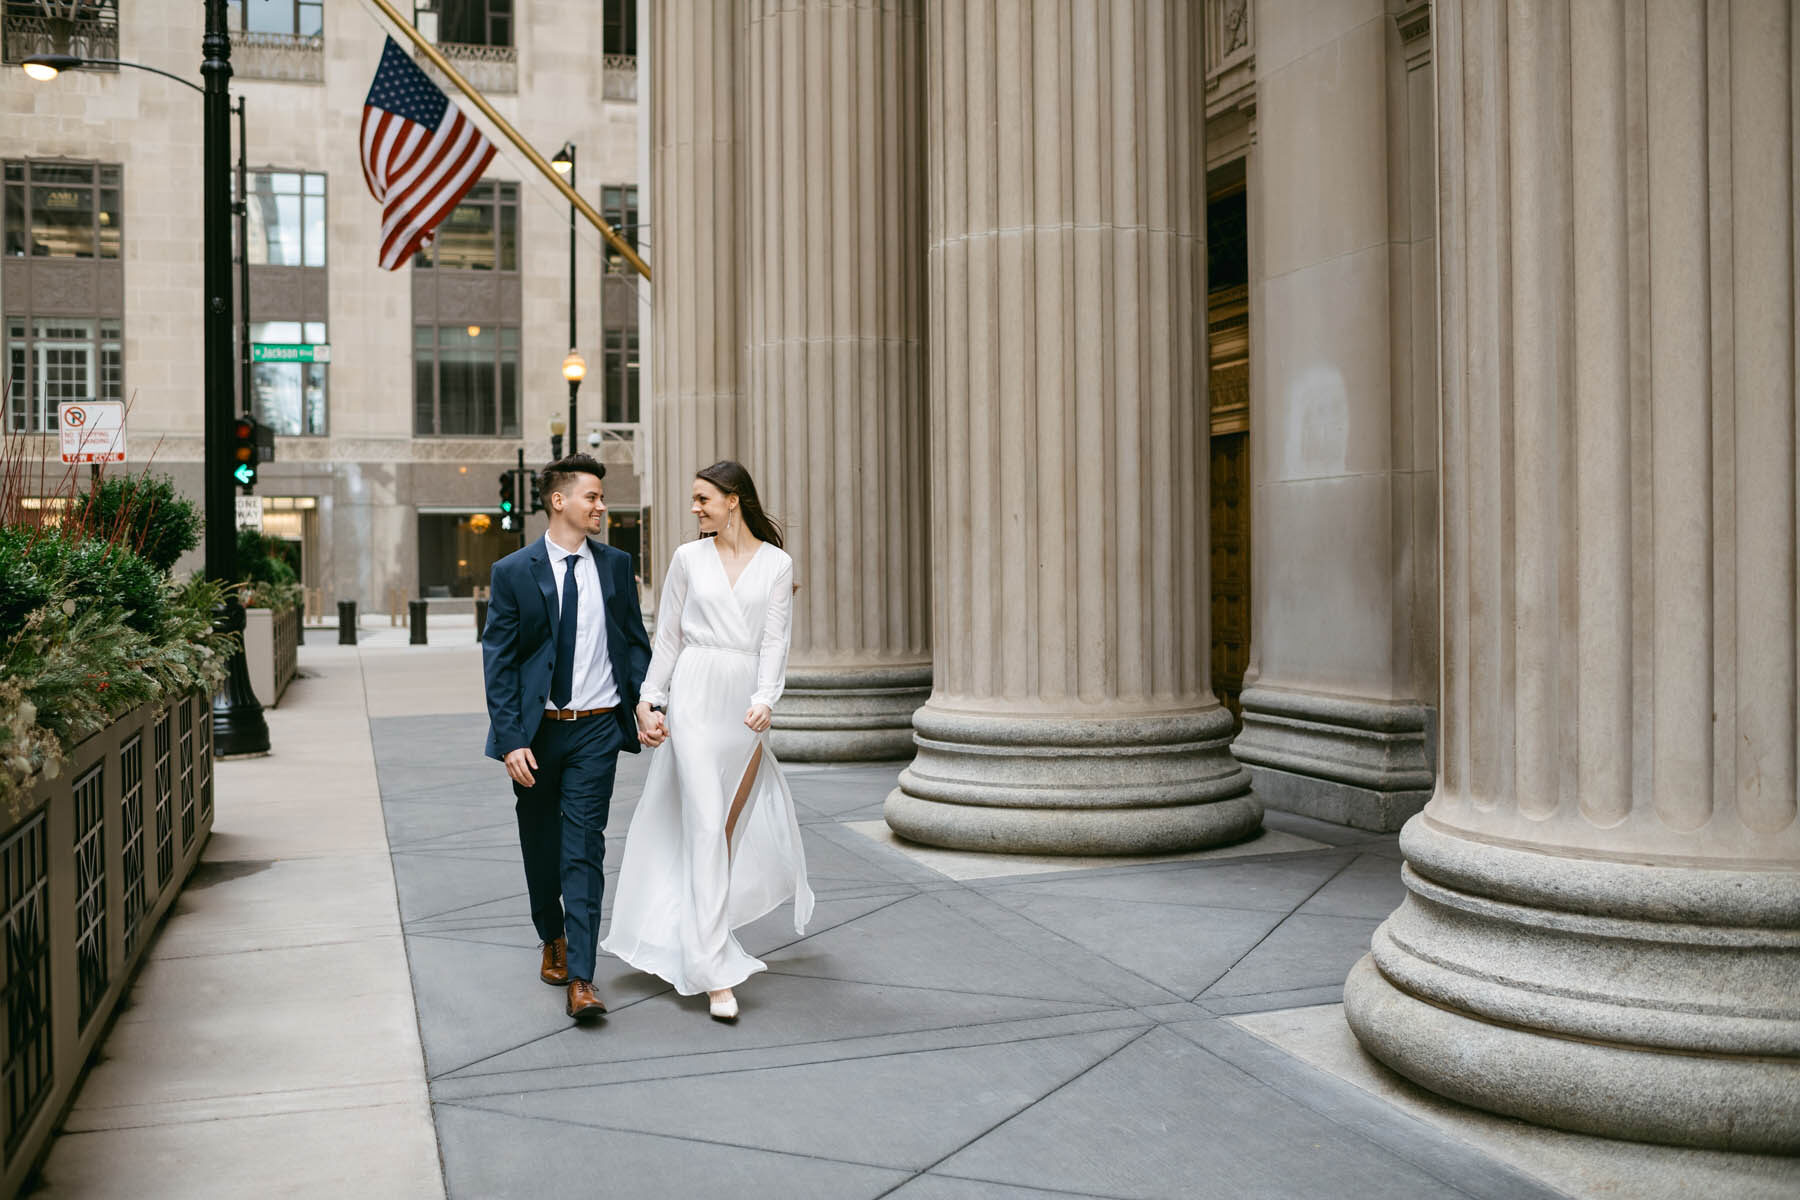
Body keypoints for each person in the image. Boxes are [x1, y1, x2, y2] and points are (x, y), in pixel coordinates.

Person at [601, 461, 814, 1022]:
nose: (695, 508)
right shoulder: (687, 559)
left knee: (721, 831)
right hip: (694, 696)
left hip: (742, 706)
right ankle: (714, 972)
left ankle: (696, 934)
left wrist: (767, 698)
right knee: (701, 822)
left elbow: (775, 642)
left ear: (734, 499)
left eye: (703, 499)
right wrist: (651, 699)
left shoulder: (776, 563)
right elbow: (666, 637)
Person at [481, 454, 652, 1022]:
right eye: (593, 496)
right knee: (540, 844)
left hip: (597, 730)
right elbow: (500, 663)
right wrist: (510, 740)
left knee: (584, 847)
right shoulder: (512, 572)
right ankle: (549, 933)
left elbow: (633, 643)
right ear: (560, 501)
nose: (602, 506)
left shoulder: (615, 564)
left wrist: (647, 703)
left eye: (602, 498)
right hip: (536, 735)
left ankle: (582, 975)